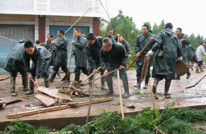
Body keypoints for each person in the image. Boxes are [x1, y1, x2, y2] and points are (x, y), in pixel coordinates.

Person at [148, 23, 182, 99]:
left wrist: (152, 50)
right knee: (169, 75)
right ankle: (166, 93)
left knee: (158, 73)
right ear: (172, 28)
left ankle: (154, 87)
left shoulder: (161, 33)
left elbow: (158, 43)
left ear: (164, 27)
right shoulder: (175, 35)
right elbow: (179, 46)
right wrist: (180, 55)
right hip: (171, 58)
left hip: (161, 57)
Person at [135, 24, 155, 89]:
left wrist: (151, 51)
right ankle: (138, 83)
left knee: (147, 71)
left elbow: (156, 44)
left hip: (148, 56)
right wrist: (137, 52)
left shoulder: (152, 37)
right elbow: (136, 45)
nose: (143, 30)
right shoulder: (139, 37)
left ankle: (146, 84)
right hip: (140, 56)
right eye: (142, 29)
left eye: (145, 29)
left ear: (148, 30)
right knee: (138, 70)